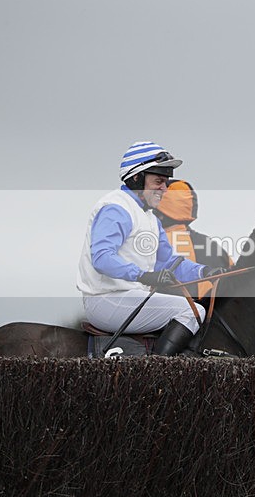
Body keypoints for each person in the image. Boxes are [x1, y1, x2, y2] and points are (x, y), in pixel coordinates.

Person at [77, 141, 226, 356]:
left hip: (128, 297)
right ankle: (158, 369)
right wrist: (145, 276)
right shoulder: (116, 208)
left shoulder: (149, 217)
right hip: (105, 300)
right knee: (191, 312)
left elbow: (169, 262)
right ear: (136, 178)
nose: (164, 189)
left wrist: (205, 272)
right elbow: (102, 258)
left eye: (165, 182)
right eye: (158, 181)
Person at [154, 179, 234, 299]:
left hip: (170, 315)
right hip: (217, 315)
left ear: (159, 211)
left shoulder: (152, 243)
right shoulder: (214, 246)